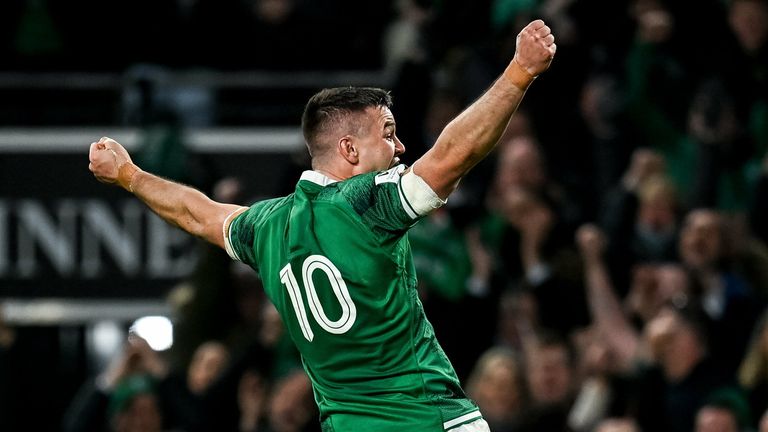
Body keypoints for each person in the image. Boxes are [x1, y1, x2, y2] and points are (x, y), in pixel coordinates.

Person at [87, 19, 556, 431]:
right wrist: (519, 73)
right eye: (389, 133)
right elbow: (453, 155)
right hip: (427, 418)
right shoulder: (366, 203)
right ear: (350, 150)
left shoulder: (266, 225)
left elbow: (196, 212)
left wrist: (131, 176)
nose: (400, 149)